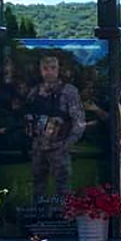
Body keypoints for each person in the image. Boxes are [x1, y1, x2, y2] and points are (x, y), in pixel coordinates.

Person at [25, 55, 86, 197]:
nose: (49, 72)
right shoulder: (34, 92)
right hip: (38, 146)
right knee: (37, 186)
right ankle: (38, 215)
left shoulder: (69, 91)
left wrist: (68, 144)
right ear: (40, 70)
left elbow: (79, 121)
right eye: (45, 68)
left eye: (53, 68)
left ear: (59, 70)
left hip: (59, 146)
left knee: (63, 187)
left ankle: (64, 217)